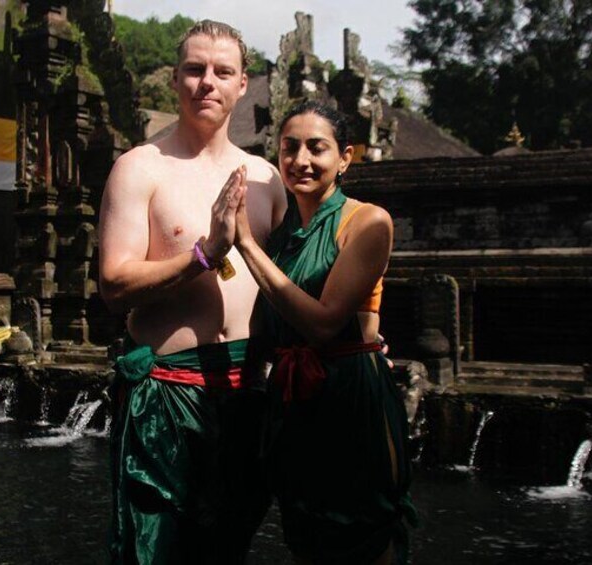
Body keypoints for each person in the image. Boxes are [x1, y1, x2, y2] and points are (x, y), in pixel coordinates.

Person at [98, 19, 286, 564]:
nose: (208, 82)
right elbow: (114, 285)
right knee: (152, 548)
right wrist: (205, 254)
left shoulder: (266, 177)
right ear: (176, 80)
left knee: (229, 545)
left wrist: (359, 330)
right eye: (195, 69)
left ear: (242, 84)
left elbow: (294, 281)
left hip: (248, 390)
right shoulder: (140, 169)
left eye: (222, 71)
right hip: (167, 389)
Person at [222, 100, 416, 564]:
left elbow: (325, 323)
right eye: (289, 148)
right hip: (293, 401)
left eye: (317, 148)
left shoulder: (368, 222)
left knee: (362, 533)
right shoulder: (283, 234)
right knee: (305, 530)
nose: (301, 160)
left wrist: (245, 244)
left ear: (345, 158)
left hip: (350, 398)